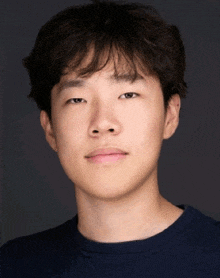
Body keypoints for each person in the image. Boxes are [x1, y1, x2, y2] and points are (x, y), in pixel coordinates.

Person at [1, 1, 219, 277]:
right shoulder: (13, 265)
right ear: (50, 129)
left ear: (170, 115)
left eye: (128, 95)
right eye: (77, 99)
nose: (103, 123)